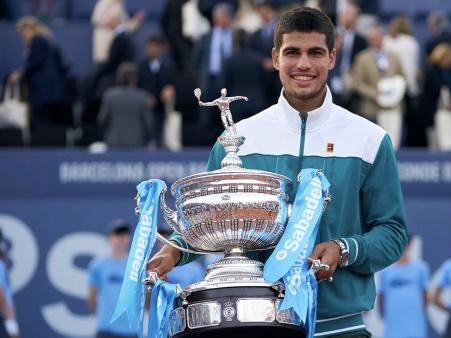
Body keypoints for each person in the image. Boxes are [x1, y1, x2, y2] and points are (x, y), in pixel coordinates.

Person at [149, 7, 408, 337]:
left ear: (332, 57)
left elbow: (393, 232)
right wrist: (173, 251)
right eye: (292, 53)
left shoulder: (369, 139)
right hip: (257, 322)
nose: (303, 64)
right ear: (274, 57)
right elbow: (213, 223)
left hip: (340, 328)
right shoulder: (237, 140)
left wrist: (344, 250)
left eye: (315, 53)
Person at [10, 16, 72, 128]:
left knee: (43, 125)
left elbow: (34, 63)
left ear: (29, 29)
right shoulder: (46, 42)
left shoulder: (37, 42)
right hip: (52, 93)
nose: (22, 36)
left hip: (44, 94)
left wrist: (20, 74)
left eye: (23, 32)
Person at [352, 23, 404, 147]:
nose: (373, 41)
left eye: (376, 38)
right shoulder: (362, 58)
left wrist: (395, 88)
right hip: (372, 109)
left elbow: (402, 77)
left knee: (393, 145)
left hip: (393, 107)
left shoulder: (394, 57)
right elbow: (357, 83)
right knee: (374, 146)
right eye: (370, 39)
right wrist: (374, 94)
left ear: (382, 37)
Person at [192, 3, 234, 145]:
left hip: (229, 82)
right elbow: (196, 60)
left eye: (226, 16)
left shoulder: (235, 36)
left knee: (227, 118)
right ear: (215, 18)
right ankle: (206, 149)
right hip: (209, 80)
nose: (223, 19)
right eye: (220, 16)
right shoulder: (206, 37)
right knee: (207, 118)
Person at [416, 43, 451, 148]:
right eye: (449, 59)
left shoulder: (447, 72)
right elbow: (437, 89)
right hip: (432, 115)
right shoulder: (432, 72)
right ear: (443, 57)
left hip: (445, 116)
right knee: (434, 144)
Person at [88, 220, 136, 338]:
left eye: (124, 234)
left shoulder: (138, 265)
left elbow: (145, 298)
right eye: (117, 234)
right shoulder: (98, 265)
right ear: (109, 238)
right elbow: (92, 297)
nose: (121, 238)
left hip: (131, 330)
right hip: (106, 329)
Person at [378, 234, 430, 338]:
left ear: (410, 245)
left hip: (416, 328)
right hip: (393, 329)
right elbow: (381, 297)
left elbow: (425, 296)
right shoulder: (385, 271)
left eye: (405, 243)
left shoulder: (421, 268)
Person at [98, 63, 154, 148]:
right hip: (137, 143)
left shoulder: (109, 96)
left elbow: (102, 119)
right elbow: (149, 123)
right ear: (135, 79)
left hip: (113, 142)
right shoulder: (143, 97)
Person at [138, 36, 175, 146]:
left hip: (161, 108)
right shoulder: (140, 66)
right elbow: (137, 86)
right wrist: (145, 97)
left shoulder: (167, 67)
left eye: (156, 47)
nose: (152, 50)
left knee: (160, 134)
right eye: (150, 47)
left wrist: (170, 89)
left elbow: (171, 83)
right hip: (144, 107)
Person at [329, 3, 367, 110]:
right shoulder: (332, 34)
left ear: (356, 18)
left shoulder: (361, 40)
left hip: (351, 76)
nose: (349, 18)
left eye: (352, 16)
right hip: (332, 73)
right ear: (341, 16)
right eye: (347, 15)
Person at [224, 29, 267, 121]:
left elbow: (225, 83)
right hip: (256, 101)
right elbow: (264, 80)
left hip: (236, 103)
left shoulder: (230, 60)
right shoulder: (258, 59)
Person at [91, 0, 144, 64]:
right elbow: (95, 19)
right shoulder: (104, 2)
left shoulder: (121, 6)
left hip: (117, 52)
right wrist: (109, 23)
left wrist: (136, 21)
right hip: (104, 49)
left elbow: (125, 27)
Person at [250, 0, 281, 108]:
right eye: (262, 10)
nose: (265, 13)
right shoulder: (255, 34)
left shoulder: (280, 32)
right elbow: (252, 52)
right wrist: (262, 61)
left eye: (267, 10)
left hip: (278, 77)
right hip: (262, 79)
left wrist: (274, 62)